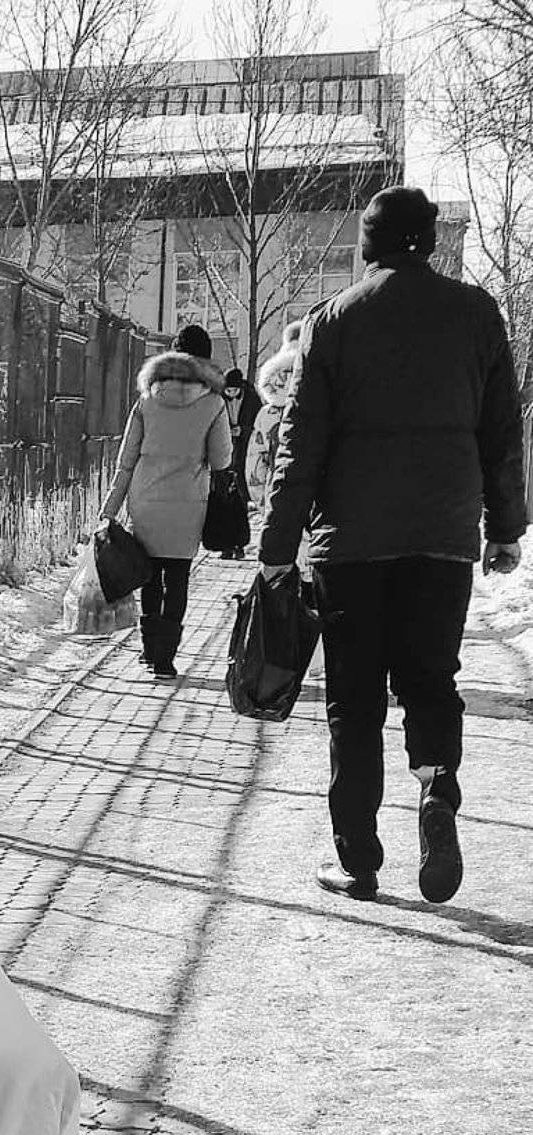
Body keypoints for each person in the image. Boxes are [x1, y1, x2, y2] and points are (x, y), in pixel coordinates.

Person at [258, 186, 526, 903]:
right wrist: (505, 527)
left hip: (351, 543)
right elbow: (502, 431)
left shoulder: (334, 319)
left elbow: (300, 443)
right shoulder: (476, 313)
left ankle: (359, 860)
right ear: (429, 242)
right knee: (431, 680)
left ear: (369, 244)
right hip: (442, 537)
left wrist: (277, 545)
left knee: (354, 700)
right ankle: (437, 787)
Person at [98, 322, 232, 679]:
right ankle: (165, 659)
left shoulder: (147, 399)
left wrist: (109, 510)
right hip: (188, 505)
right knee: (178, 578)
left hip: (146, 500)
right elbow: (222, 460)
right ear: (206, 360)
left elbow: (126, 461)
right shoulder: (214, 403)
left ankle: (148, 648)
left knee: (150, 577)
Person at [248, 320, 303, 498]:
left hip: (275, 491)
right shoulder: (322, 407)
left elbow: (255, 462)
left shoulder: (266, 414)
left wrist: (261, 500)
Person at [219, 365, 262, 558]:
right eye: (228, 390)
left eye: (234, 390)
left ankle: (240, 545)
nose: (230, 393)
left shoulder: (252, 399)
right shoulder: (218, 399)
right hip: (224, 450)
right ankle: (225, 545)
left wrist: (242, 430)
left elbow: (258, 423)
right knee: (223, 501)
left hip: (245, 451)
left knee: (240, 502)